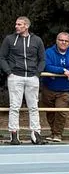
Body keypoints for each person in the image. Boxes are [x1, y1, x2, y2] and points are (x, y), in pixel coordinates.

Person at [1, 16, 46, 145]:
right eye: (16, 24)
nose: (16, 26)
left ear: (26, 26)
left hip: (32, 77)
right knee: (14, 106)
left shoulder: (37, 40)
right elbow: (2, 57)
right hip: (15, 76)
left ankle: (36, 133)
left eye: (19, 24)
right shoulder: (9, 39)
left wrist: (37, 73)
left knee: (34, 107)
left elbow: (42, 59)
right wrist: (9, 72)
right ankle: (14, 134)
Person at [41, 30, 69, 143]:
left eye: (66, 41)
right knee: (50, 111)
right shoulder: (49, 52)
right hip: (48, 87)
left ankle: (58, 134)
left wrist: (66, 71)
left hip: (65, 89)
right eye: (61, 40)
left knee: (61, 111)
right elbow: (47, 67)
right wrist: (63, 70)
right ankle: (53, 132)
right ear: (57, 41)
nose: (63, 42)